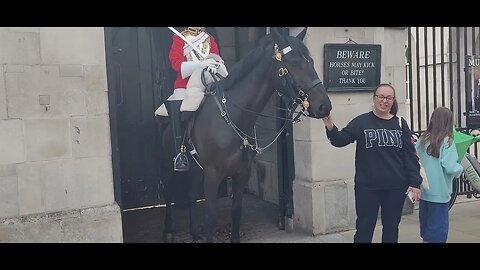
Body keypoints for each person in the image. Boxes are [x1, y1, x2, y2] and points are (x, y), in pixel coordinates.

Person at [321, 83, 422, 243]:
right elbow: (340, 140)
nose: (384, 101)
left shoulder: (401, 124)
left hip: (395, 187)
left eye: (389, 97)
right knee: (364, 229)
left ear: (393, 100)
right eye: (381, 96)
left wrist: (415, 182)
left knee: (391, 228)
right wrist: (330, 125)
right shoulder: (361, 122)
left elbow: (410, 156)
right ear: (374, 98)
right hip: (367, 187)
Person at [166, 27, 222, 172]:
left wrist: (215, 65)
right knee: (180, 107)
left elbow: (216, 57)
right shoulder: (179, 38)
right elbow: (176, 63)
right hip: (186, 85)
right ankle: (181, 151)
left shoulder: (209, 38)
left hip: (208, 83)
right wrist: (200, 64)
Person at [415, 107, 463, 243]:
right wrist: (460, 168)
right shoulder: (447, 141)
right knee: (438, 232)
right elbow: (450, 167)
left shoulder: (423, 139)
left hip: (425, 191)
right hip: (440, 194)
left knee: (427, 229)